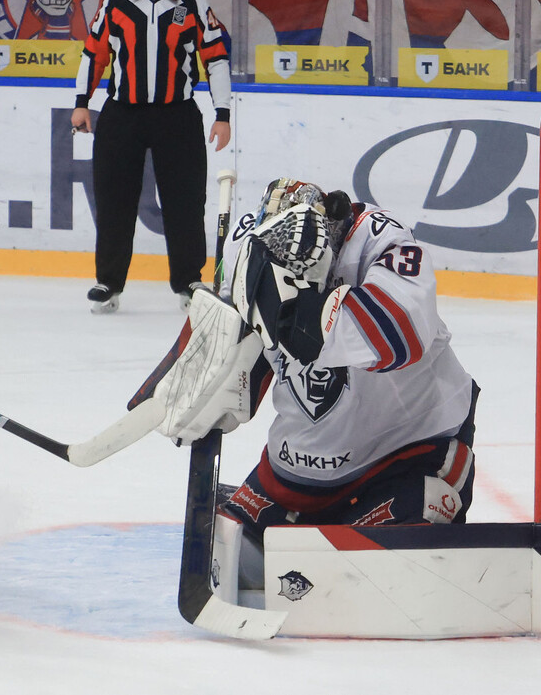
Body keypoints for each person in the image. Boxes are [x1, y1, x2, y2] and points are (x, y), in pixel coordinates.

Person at [137, 179, 479, 587]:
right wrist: (192, 382)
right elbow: (228, 343)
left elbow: (397, 333)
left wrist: (293, 315)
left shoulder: (380, 242)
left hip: (405, 455)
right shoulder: (247, 245)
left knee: (380, 572)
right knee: (234, 554)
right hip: (298, 473)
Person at [71, 0, 232, 315]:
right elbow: (94, 54)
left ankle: (189, 282)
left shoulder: (194, 4)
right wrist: (81, 102)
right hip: (121, 115)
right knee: (114, 200)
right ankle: (108, 283)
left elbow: (216, 60)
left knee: (185, 201)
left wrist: (223, 113)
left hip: (177, 116)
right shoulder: (115, 1)